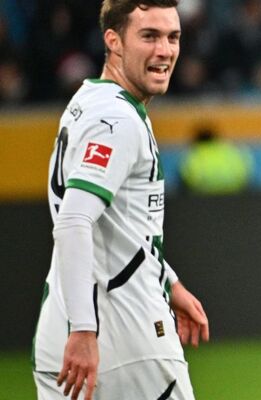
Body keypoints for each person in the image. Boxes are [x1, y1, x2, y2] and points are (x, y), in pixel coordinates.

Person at [34, 1, 210, 399]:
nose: (164, 50)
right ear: (113, 41)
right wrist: (84, 329)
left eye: (172, 37)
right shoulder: (117, 121)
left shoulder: (88, 101)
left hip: (60, 328)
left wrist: (169, 281)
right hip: (121, 333)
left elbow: (116, 226)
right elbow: (75, 221)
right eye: (149, 36)